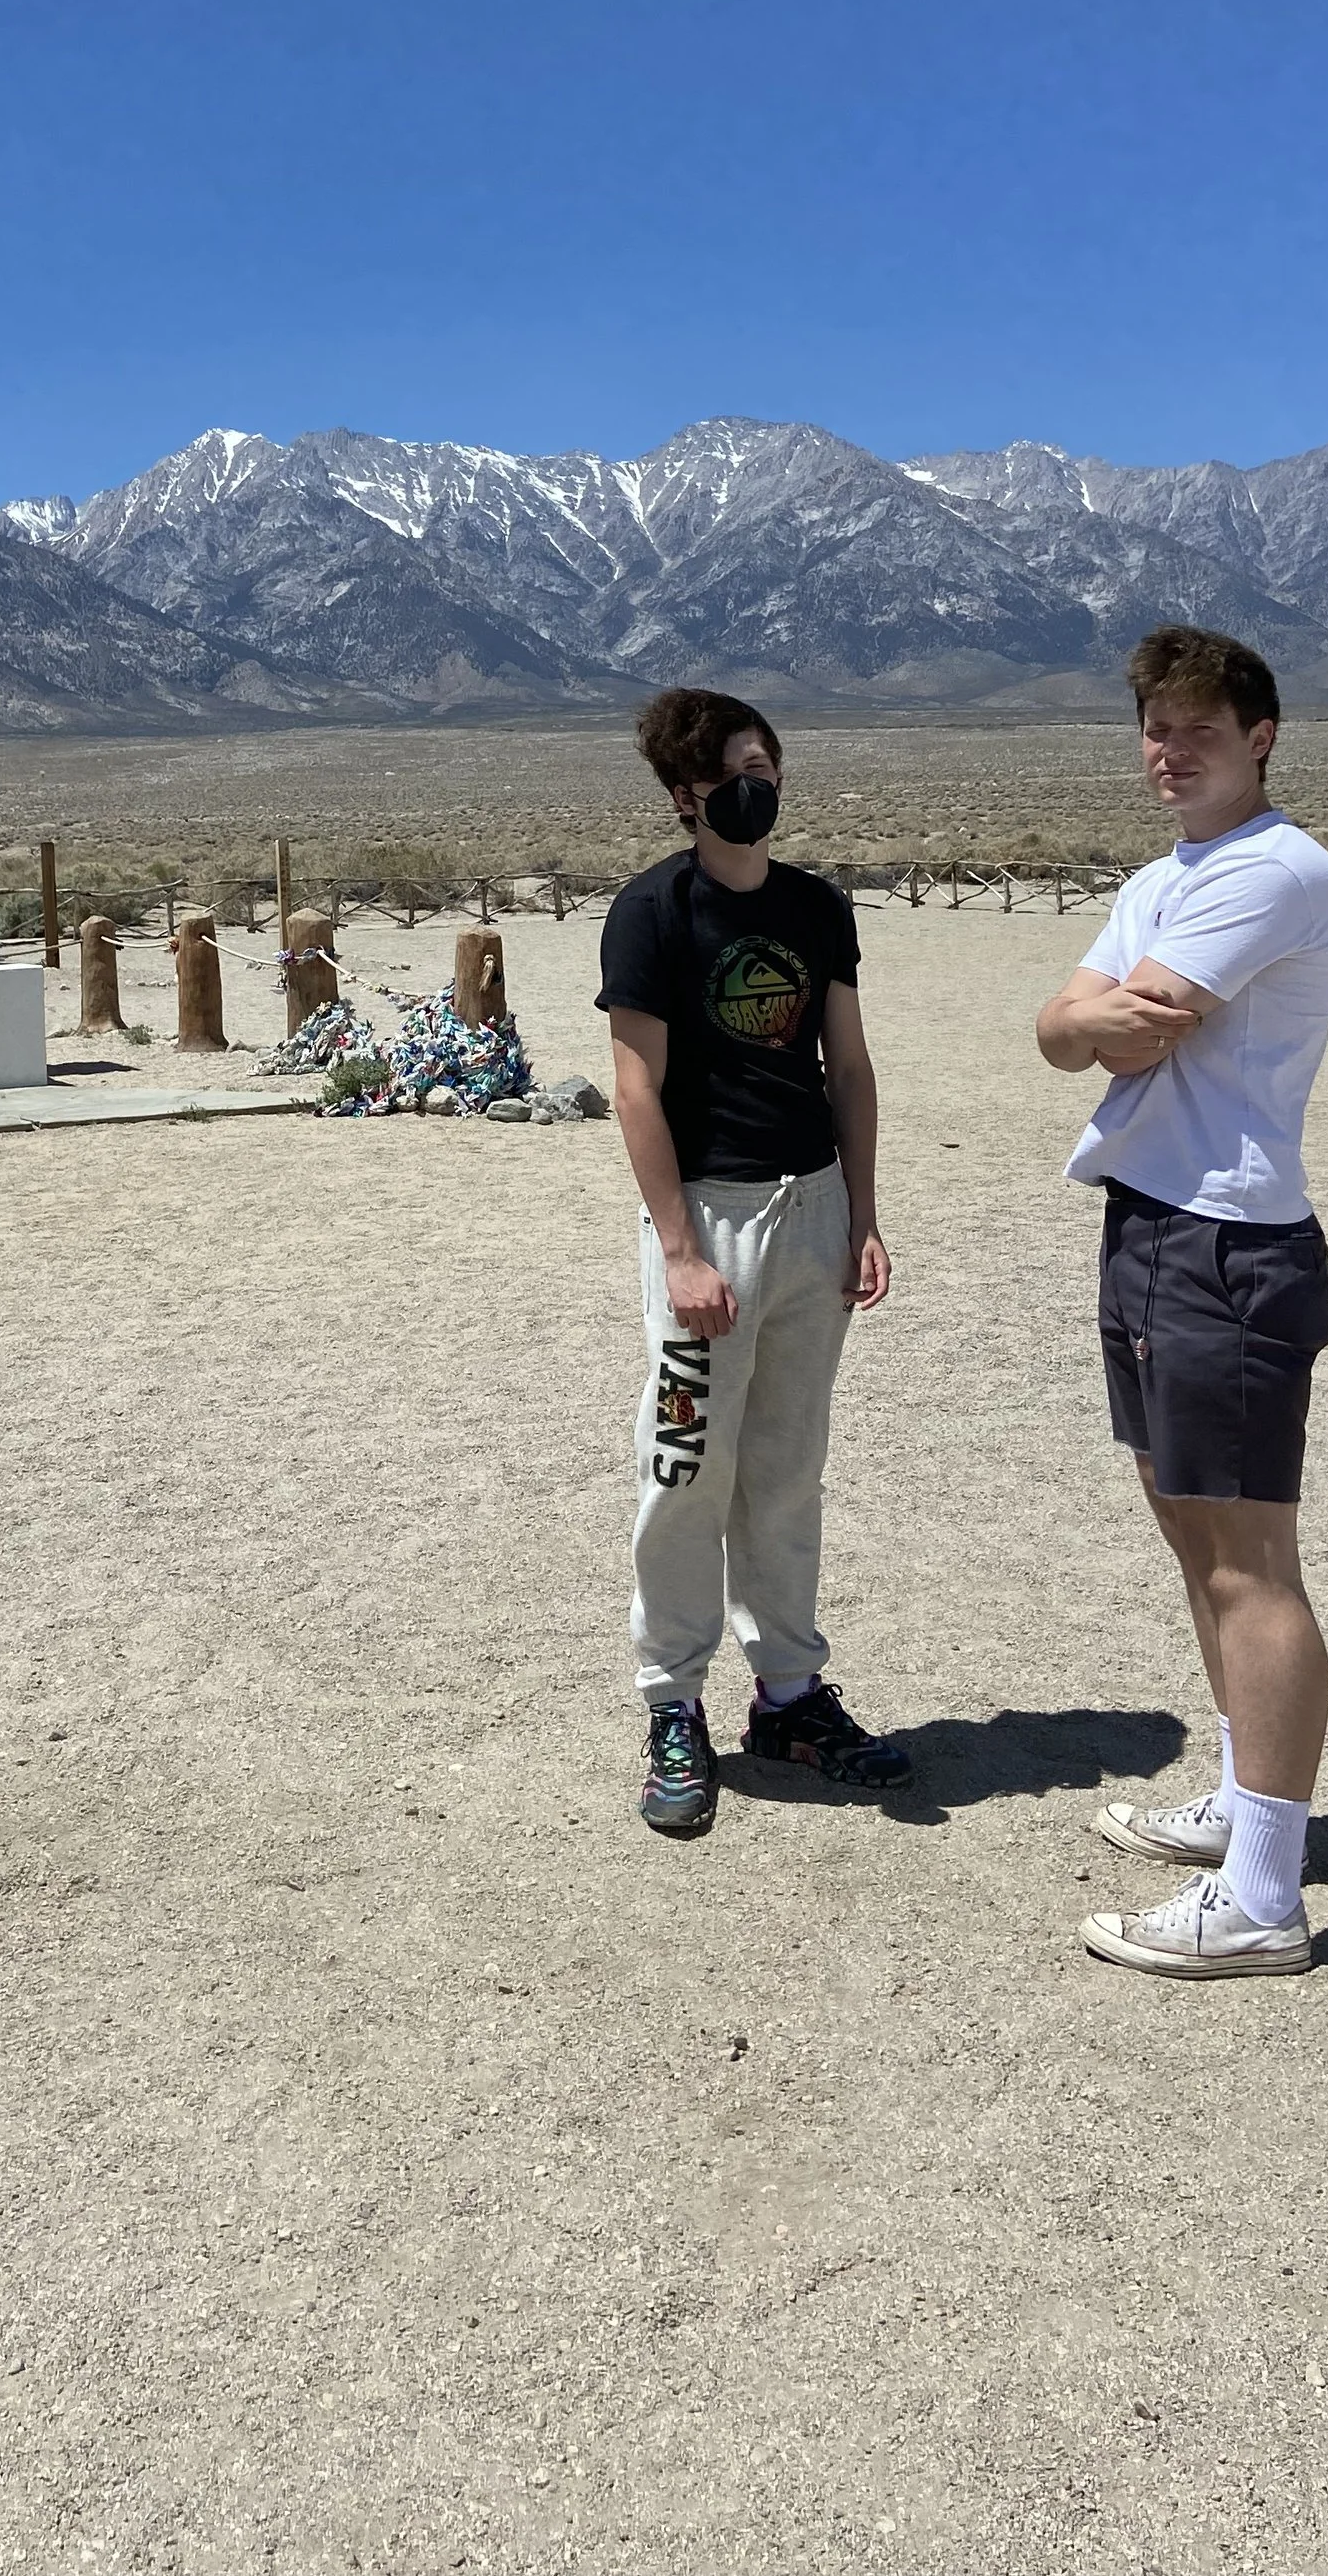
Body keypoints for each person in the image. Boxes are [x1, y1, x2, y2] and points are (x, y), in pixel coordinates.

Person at [1037, 624, 1328, 1977]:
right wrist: (1088, 1013)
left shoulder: (1277, 869)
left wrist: (1097, 1011)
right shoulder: (1163, 875)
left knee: (1248, 1560)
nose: (1170, 751)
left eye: (1199, 728)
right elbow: (1063, 1030)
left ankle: (1266, 1896)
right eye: (1155, 727)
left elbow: (1132, 1014)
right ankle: (1245, 1801)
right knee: (1187, 1531)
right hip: (1152, 1221)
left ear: (1262, 734)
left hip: (1227, 1240)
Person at [596, 688, 909, 1836]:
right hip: (708, 1223)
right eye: (735, 769)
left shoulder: (818, 910)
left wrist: (863, 1216)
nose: (758, 784)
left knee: (785, 1469)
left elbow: (851, 1069)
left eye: (768, 763)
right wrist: (678, 1250)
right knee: (684, 1464)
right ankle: (671, 1700)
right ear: (685, 796)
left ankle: (786, 1693)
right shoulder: (650, 915)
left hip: (811, 1212)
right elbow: (635, 1087)